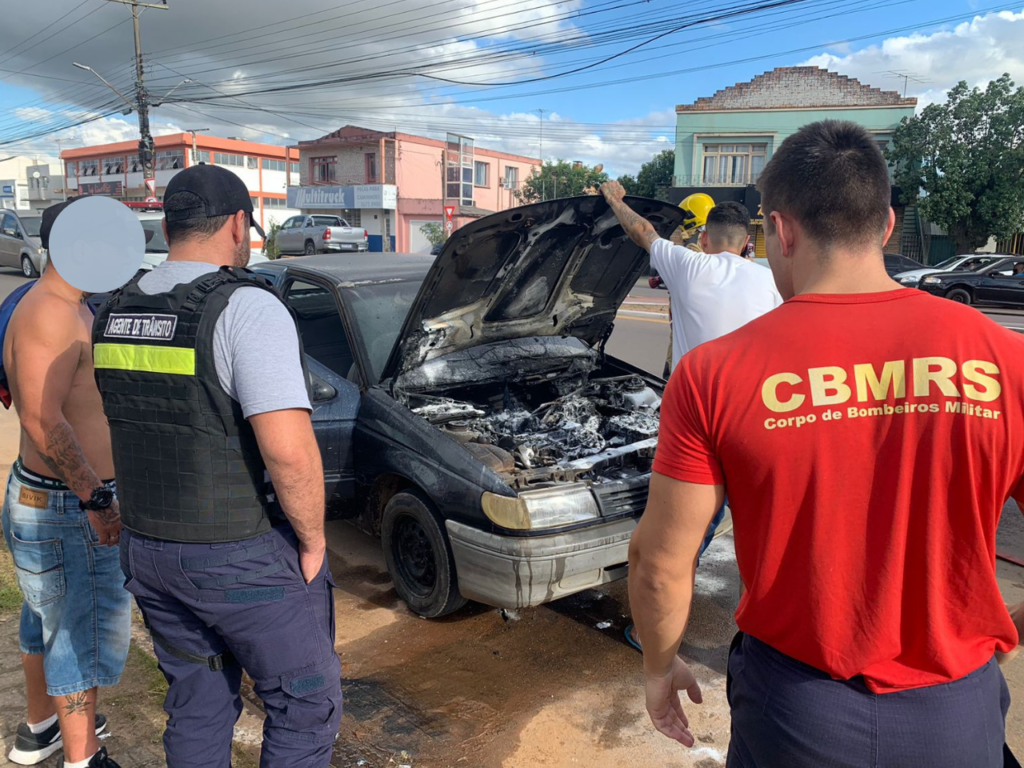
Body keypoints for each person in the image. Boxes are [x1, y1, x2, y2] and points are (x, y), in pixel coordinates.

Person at [628, 120, 1023, 767]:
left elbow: (660, 566)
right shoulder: (1008, 361)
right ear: (887, 225)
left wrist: (658, 669)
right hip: (955, 715)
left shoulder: (716, 374)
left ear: (780, 231)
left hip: (795, 714)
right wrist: (1003, 637)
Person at [91, 164, 342, 768]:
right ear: (238, 225)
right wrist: (312, 540)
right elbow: (289, 449)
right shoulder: (246, 309)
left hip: (148, 546)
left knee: (198, 699)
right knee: (306, 704)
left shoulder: (115, 310)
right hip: (237, 553)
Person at [601, 184, 781, 649]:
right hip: (760, 422)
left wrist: (613, 198)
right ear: (746, 242)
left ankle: (653, 633)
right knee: (756, 535)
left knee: (680, 538)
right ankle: (755, 637)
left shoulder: (687, 264)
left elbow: (642, 231)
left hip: (698, 426)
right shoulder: (769, 281)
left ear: (705, 239)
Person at [2, 197, 129, 768]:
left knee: (45, 621)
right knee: (79, 634)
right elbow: (41, 417)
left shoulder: (70, 304)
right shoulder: (51, 311)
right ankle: (85, 758)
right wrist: (96, 498)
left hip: (50, 501)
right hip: (66, 506)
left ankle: (42, 728)